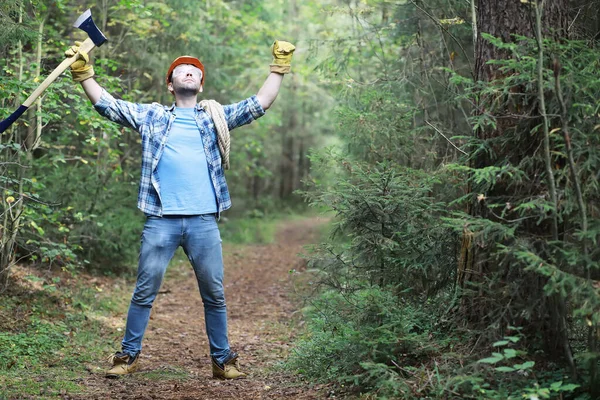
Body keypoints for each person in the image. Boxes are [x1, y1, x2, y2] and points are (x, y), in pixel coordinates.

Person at [65, 40, 295, 379]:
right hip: (161, 221)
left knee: (214, 294)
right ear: (171, 85)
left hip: (203, 221)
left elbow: (259, 103)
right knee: (144, 291)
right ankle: (127, 357)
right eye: (180, 70)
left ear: (200, 85)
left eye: (195, 71)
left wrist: (279, 67)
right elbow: (109, 105)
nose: (188, 70)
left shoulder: (214, 117)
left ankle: (222, 361)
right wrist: (85, 72)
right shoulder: (153, 116)